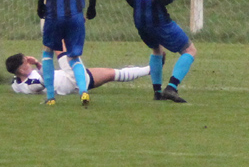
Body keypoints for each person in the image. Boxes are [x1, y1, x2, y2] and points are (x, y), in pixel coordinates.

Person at [6, 51, 150, 96]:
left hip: (67, 79)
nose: (29, 63)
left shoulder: (17, 84)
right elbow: (43, 81)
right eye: (26, 62)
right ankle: (150, 70)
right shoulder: (32, 83)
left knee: (111, 74)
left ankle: (145, 69)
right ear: (21, 69)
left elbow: (18, 81)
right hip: (70, 81)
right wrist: (37, 63)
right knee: (113, 74)